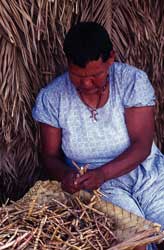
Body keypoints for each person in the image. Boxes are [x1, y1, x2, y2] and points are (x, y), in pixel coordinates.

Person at [32, 22, 164, 250]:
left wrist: (102, 173)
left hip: (148, 175)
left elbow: (142, 146)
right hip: (100, 189)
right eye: (77, 75)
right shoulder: (52, 98)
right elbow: (49, 156)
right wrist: (66, 176)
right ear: (68, 63)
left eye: (95, 75)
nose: (85, 83)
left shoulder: (132, 81)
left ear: (110, 59)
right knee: (136, 242)